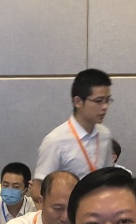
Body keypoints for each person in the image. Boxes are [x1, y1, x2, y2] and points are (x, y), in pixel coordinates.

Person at [32, 69, 114, 202]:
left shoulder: (105, 135)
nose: (105, 107)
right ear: (78, 102)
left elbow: (109, 178)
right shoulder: (55, 140)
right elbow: (38, 190)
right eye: (99, 101)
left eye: (107, 100)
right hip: (68, 211)